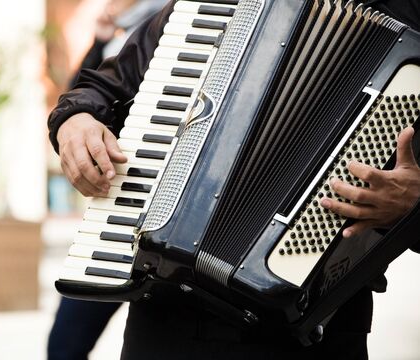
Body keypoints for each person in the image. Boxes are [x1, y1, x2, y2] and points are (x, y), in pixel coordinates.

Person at [47, 0, 420, 359]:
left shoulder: (407, 17)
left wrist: (413, 203)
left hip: (316, 334)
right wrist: (75, 122)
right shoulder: (204, 7)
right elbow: (103, 88)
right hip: (171, 322)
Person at [47, 1, 167, 359]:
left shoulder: (178, 14)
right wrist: (75, 119)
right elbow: (77, 89)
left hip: (156, 218)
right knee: (66, 344)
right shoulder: (135, 28)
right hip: (122, 215)